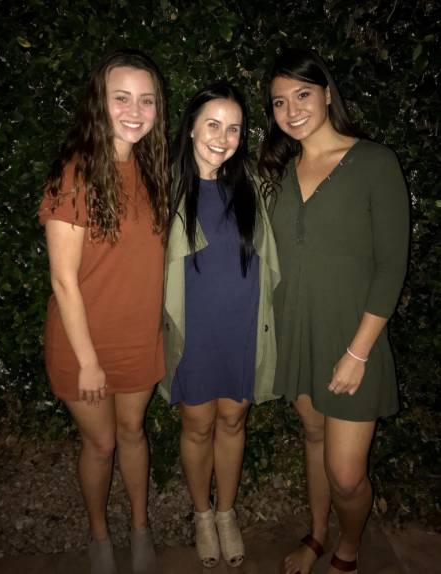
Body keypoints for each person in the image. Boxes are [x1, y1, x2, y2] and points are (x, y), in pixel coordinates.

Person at [259, 48, 409, 574]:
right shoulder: (279, 173)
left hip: (352, 341)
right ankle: (317, 535)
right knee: (314, 437)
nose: (292, 110)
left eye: (302, 94)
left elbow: (391, 266)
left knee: (346, 474)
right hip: (298, 334)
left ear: (327, 93)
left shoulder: (374, 162)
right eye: (280, 102)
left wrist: (358, 352)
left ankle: (349, 545)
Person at [38, 50, 169, 574]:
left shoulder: (152, 170)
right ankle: (98, 536)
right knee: (100, 442)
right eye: (122, 98)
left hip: (139, 337)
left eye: (146, 100)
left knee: (133, 433)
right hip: (83, 344)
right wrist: (89, 361)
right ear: (99, 103)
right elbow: (63, 280)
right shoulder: (75, 174)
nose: (135, 111)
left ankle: (139, 528)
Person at [159, 82, 280, 568]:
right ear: (190, 128)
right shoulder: (166, 186)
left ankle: (226, 512)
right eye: (212, 124)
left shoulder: (252, 184)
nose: (223, 138)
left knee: (233, 420)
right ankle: (202, 513)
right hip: (194, 332)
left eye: (234, 129)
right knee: (197, 425)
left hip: (243, 327)